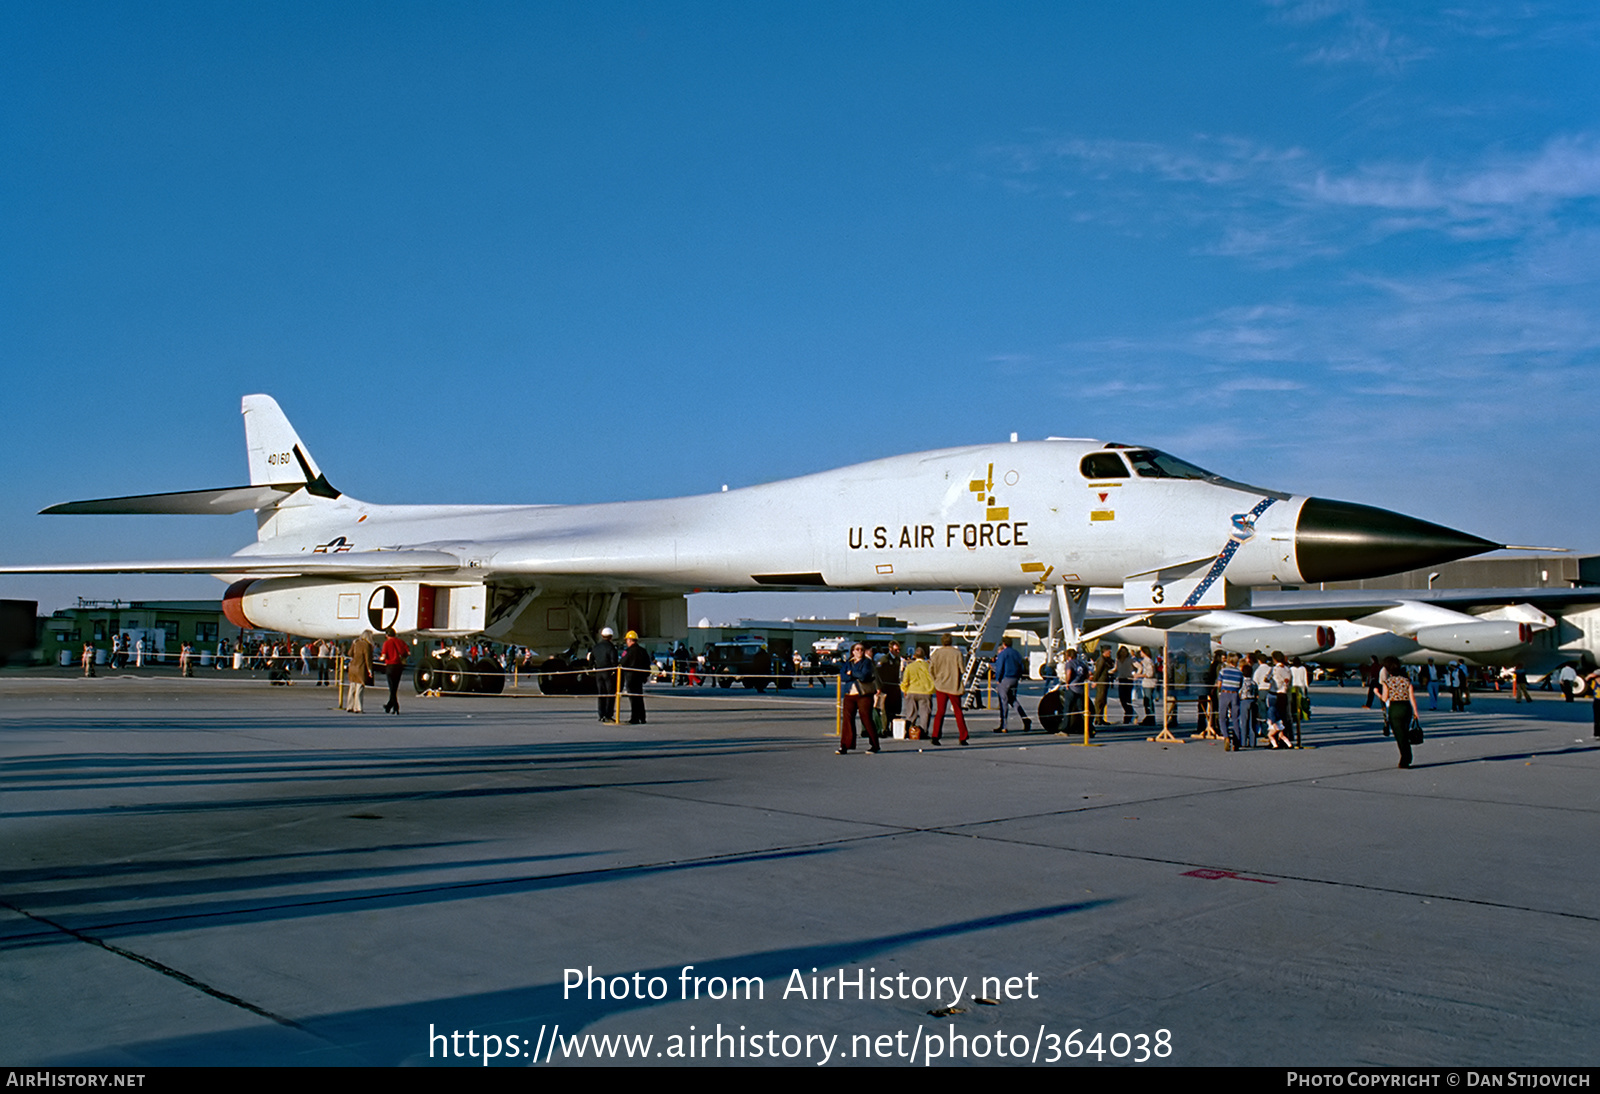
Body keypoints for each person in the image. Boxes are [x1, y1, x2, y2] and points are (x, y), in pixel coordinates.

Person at [836, 642, 880, 754]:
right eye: (857, 649)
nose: (860, 651)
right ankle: (845, 745)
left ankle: (874, 745)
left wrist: (852, 673)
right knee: (847, 719)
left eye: (862, 649)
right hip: (850, 694)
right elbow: (843, 676)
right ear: (853, 651)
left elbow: (864, 676)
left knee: (866, 718)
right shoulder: (848, 663)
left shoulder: (867, 662)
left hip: (864, 695)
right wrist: (852, 674)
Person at [928, 634, 969, 746]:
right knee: (958, 711)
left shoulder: (936, 653)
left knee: (940, 711)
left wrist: (935, 680)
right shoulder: (957, 653)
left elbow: (930, 669)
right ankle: (963, 736)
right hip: (953, 685)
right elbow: (962, 669)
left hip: (940, 685)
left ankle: (935, 735)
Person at [1382, 655, 1421, 768]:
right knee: (1405, 731)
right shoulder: (1406, 681)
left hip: (1395, 708)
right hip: (1406, 707)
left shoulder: (1387, 683)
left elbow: (1384, 699)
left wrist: (1377, 693)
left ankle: (1405, 758)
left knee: (1400, 735)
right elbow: (1412, 697)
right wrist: (1416, 712)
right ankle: (1407, 757)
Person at [992, 637, 1032, 733]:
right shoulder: (1017, 653)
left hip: (1005, 679)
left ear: (1004, 644)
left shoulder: (1003, 654)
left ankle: (1004, 725)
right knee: (1012, 700)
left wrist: (998, 678)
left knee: (1003, 701)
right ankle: (1025, 718)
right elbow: (1022, 666)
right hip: (1014, 678)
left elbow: (1000, 667)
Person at [901, 645, 935, 739]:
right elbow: (934, 679)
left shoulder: (910, 667)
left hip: (912, 691)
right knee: (925, 713)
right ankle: (923, 732)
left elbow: (905, 680)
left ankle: (909, 731)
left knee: (911, 713)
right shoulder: (929, 666)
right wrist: (932, 690)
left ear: (914, 656)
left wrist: (904, 689)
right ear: (924, 656)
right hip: (925, 692)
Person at [619, 630, 651, 724]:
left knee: (633, 698)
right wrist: (645, 676)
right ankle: (642, 717)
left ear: (629, 640)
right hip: (640, 677)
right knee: (639, 697)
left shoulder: (628, 651)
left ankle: (635, 718)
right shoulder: (643, 651)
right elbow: (647, 664)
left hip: (630, 677)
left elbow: (622, 663)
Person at [591, 627, 619, 722]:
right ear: (611, 637)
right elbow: (614, 661)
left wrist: (594, 666)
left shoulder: (596, 647)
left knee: (601, 694)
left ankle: (601, 714)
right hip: (608, 672)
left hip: (599, 673)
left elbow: (591, 659)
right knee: (610, 694)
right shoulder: (611, 647)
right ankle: (608, 715)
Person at [876, 641, 904, 732]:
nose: (898, 651)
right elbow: (878, 672)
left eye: (899, 649)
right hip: (886, 686)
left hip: (894, 687)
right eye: (896, 649)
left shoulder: (898, 659)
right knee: (885, 709)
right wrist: (879, 686)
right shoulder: (885, 659)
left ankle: (893, 728)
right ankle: (884, 728)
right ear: (890, 649)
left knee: (894, 709)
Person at [381, 627, 410, 715]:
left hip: (390, 666)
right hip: (399, 666)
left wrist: (380, 658)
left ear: (387, 635)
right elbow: (408, 653)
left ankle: (395, 707)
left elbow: (384, 656)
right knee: (395, 687)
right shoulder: (401, 642)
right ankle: (389, 706)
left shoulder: (387, 643)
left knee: (392, 688)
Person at [346, 631, 374, 713]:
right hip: (360, 668)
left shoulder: (355, 643)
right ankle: (358, 707)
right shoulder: (366, 645)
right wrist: (370, 670)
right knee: (359, 688)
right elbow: (367, 659)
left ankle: (349, 706)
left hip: (352, 667)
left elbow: (349, 653)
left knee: (352, 688)